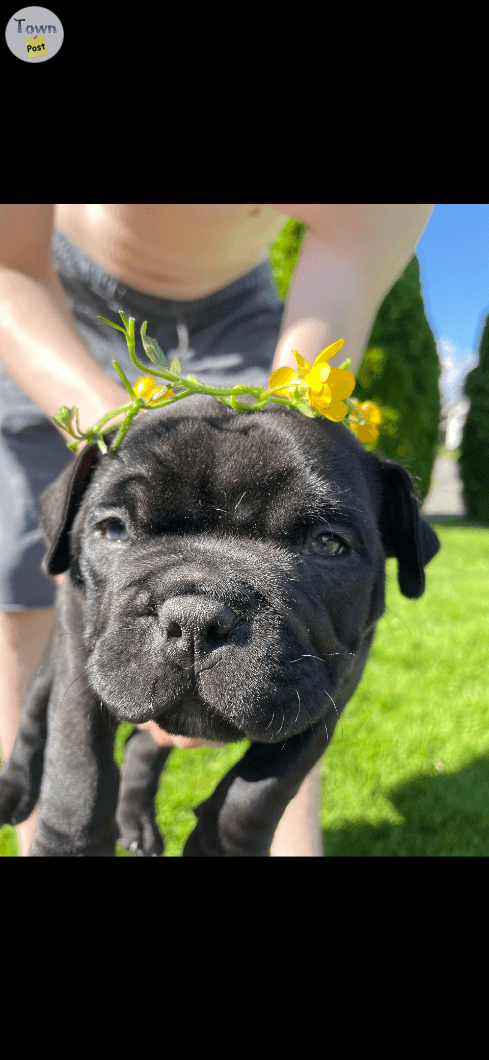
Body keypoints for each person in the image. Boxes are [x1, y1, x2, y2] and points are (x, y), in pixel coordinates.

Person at [0, 204, 435, 857]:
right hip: (43, 288)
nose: (196, 618)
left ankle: (272, 841)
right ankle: (57, 831)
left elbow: (335, 305)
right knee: (22, 597)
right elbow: (9, 263)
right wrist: (122, 449)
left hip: (244, 310)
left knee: (299, 533)